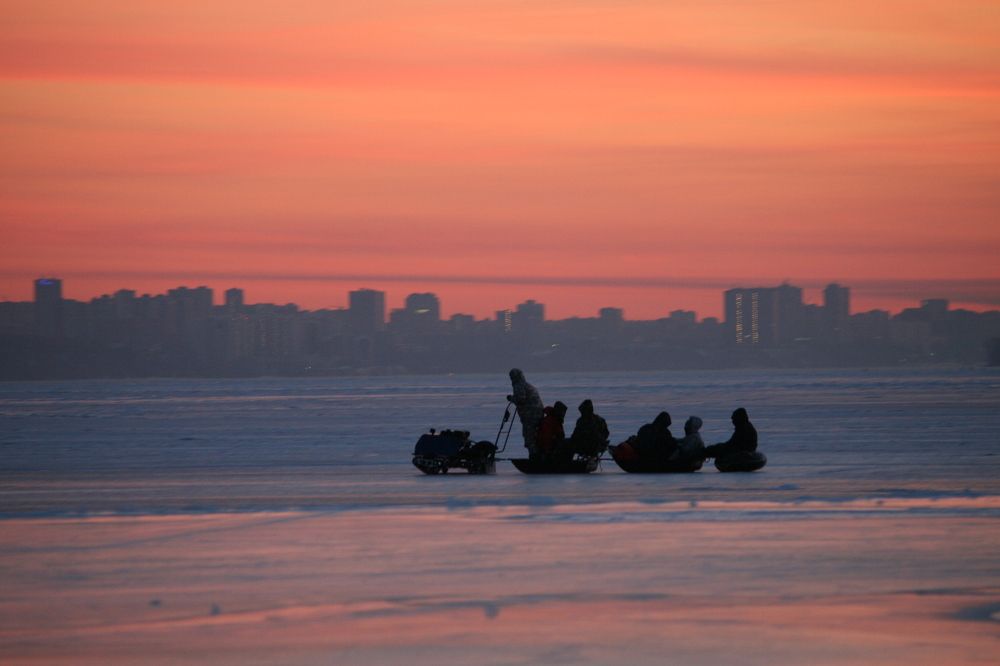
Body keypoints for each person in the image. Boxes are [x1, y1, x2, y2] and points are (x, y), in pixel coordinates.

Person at [506, 368, 544, 456]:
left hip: (530, 416)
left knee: (529, 436)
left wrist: (511, 398)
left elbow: (521, 399)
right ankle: (538, 454)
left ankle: (534, 456)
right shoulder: (527, 385)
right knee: (535, 436)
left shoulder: (519, 385)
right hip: (538, 414)